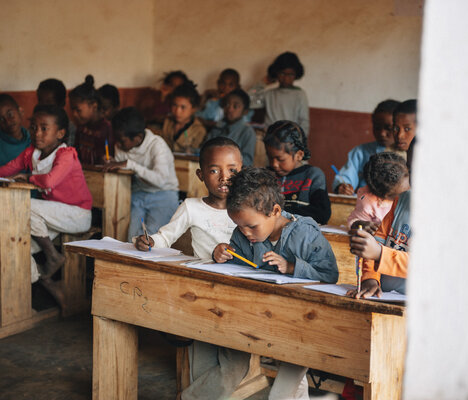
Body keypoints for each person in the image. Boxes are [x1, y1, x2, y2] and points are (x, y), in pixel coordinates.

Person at [134, 138, 247, 400]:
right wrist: (149, 242)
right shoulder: (191, 207)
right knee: (202, 365)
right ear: (201, 175)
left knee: (236, 365)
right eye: (214, 170)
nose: (224, 178)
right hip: (202, 293)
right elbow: (165, 237)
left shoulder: (248, 207)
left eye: (233, 170)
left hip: (240, 295)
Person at [213, 167, 338, 400]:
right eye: (239, 226)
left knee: (280, 394)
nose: (245, 233)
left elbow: (329, 274)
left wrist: (292, 267)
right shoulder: (244, 233)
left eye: (251, 226)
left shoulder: (305, 234)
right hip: (262, 318)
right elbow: (236, 267)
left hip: (302, 326)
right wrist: (220, 255)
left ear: (275, 211)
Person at [0, 105, 92, 302]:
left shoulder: (66, 154)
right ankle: (45, 282)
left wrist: (28, 178)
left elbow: (50, 180)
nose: (37, 133)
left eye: (44, 128)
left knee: (25, 207)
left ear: (60, 133)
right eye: (33, 128)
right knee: (15, 244)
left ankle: (52, 256)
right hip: (52, 217)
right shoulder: (31, 153)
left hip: (77, 215)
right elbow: (7, 169)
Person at [347, 138, 415, 298]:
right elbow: (379, 240)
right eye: (412, 170)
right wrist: (371, 278)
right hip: (384, 296)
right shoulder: (401, 200)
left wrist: (378, 253)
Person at [103, 107, 179, 238]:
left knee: (152, 239)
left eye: (122, 141)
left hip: (164, 195)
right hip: (138, 194)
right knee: (130, 237)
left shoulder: (157, 145)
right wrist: (113, 163)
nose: (118, 145)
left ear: (137, 138)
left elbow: (160, 180)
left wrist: (131, 165)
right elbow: (123, 168)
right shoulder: (121, 146)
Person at [264, 120, 331, 225]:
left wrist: (283, 213)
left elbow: (322, 214)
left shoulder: (313, 175)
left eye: (280, 159)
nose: (274, 164)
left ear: (299, 155)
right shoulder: (266, 175)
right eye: (270, 157)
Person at [333, 99, 400, 195]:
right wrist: (342, 186)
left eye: (388, 128)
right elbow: (347, 175)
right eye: (377, 128)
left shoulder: (408, 154)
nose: (382, 133)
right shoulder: (360, 152)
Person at [346, 152, 409, 231]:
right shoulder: (369, 203)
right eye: (402, 193)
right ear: (385, 196)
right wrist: (360, 225)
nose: (410, 191)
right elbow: (353, 222)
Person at [250, 52, 309, 135]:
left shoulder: (300, 95)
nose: (286, 78)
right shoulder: (269, 94)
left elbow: (304, 122)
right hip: (269, 138)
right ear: (276, 73)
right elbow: (249, 101)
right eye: (282, 73)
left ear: (296, 75)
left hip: (290, 139)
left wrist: (300, 142)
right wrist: (262, 84)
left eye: (290, 74)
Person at [69, 75, 114, 165]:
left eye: (78, 110)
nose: (74, 114)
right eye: (72, 110)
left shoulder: (107, 128)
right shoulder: (81, 126)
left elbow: (110, 156)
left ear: (94, 106)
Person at [205, 89, 256, 166]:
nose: (229, 109)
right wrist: (192, 151)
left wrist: (227, 158)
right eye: (227, 105)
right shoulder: (218, 127)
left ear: (245, 111)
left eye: (235, 106)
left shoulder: (247, 131)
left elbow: (248, 161)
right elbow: (205, 149)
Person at [160, 82, 206, 153]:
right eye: (174, 105)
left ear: (194, 109)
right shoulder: (166, 122)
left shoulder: (199, 130)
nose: (177, 111)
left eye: (183, 107)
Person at [36, 78, 77, 146]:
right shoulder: (36, 126)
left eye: (49, 103)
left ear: (62, 104)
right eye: (40, 101)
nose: (43, 107)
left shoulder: (70, 128)